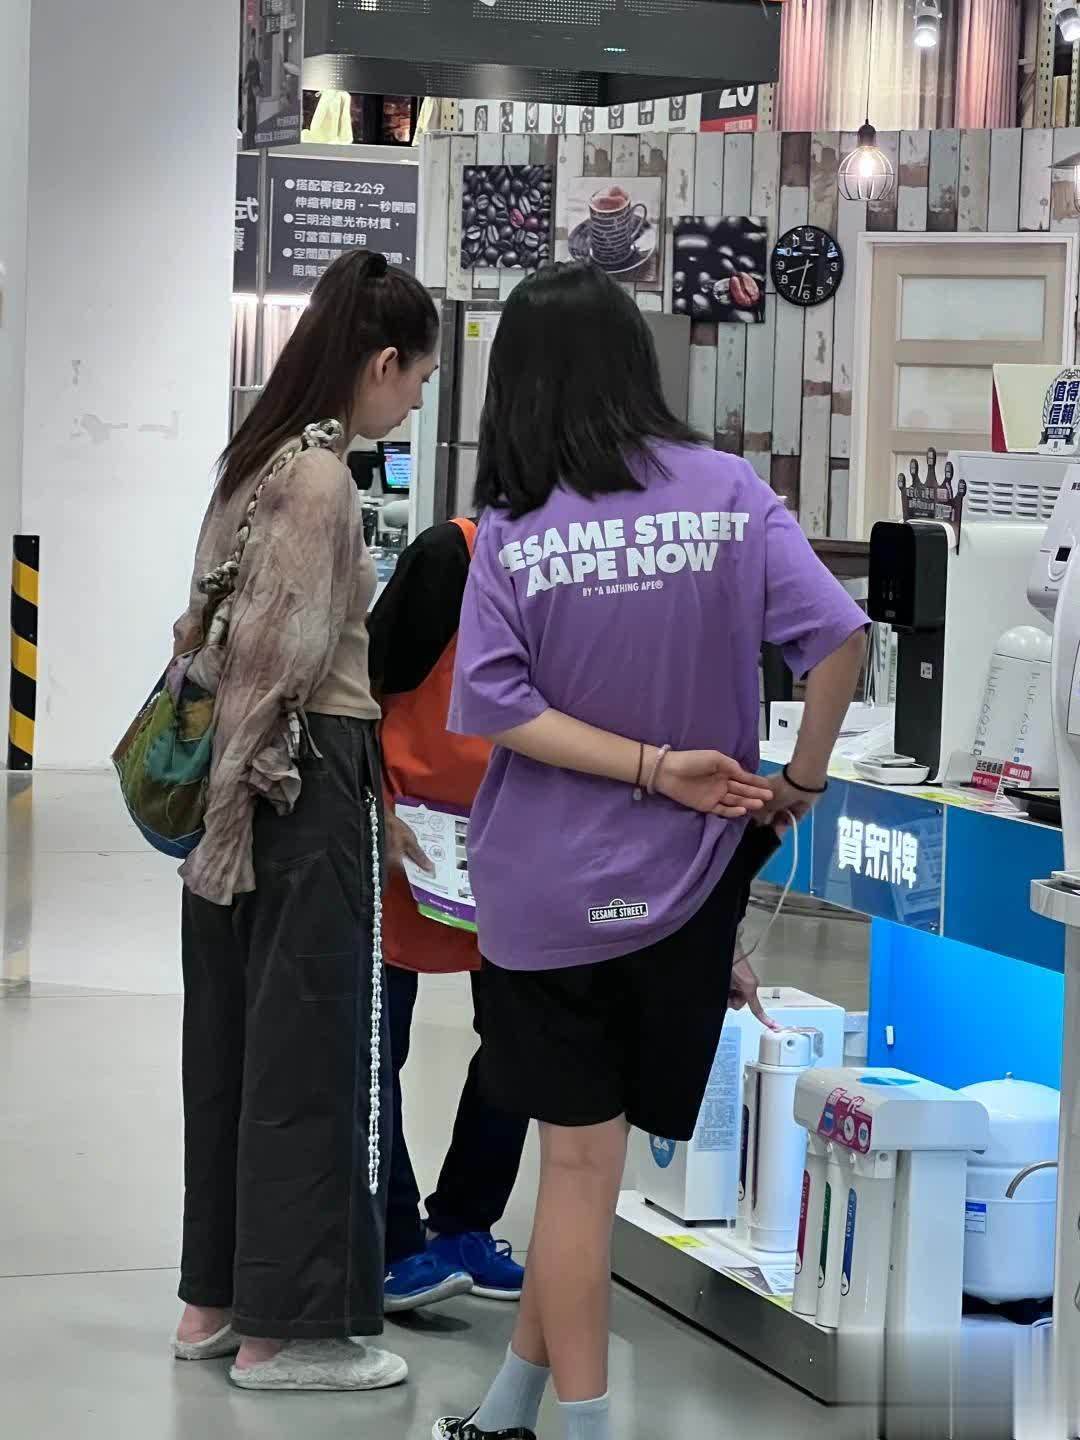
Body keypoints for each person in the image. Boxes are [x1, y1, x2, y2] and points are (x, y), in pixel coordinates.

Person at [436, 261, 867, 1440]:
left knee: (575, 1176)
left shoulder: (515, 530)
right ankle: (509, 1409)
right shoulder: (729, 491)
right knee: (591, 1172)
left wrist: (643, 764)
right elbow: (841, 639)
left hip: (545, 898)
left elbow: (498, 706)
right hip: (685, 897)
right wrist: (800, 781)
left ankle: (581, 1428)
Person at [171, 250, 440, 1392]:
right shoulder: (323, 479)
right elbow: (282, 670)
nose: (414, 402)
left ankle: (215, 1302)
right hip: (293, 784)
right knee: (311, 1048)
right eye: (416, 379)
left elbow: (212, 637)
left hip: (239, 792)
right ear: (380, 363)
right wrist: (262, 817)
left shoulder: (252, 460)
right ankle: (285, 1334)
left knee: (232, 1046)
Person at [367, 517, 529, 1313]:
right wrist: (373, 809)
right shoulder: (448, 559)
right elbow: (357, 689)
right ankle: (390, 1242)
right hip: (409, 838)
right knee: (377, 1046)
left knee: (522, 1042)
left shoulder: (585, 578)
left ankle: (464, 1222)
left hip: (516, 840)